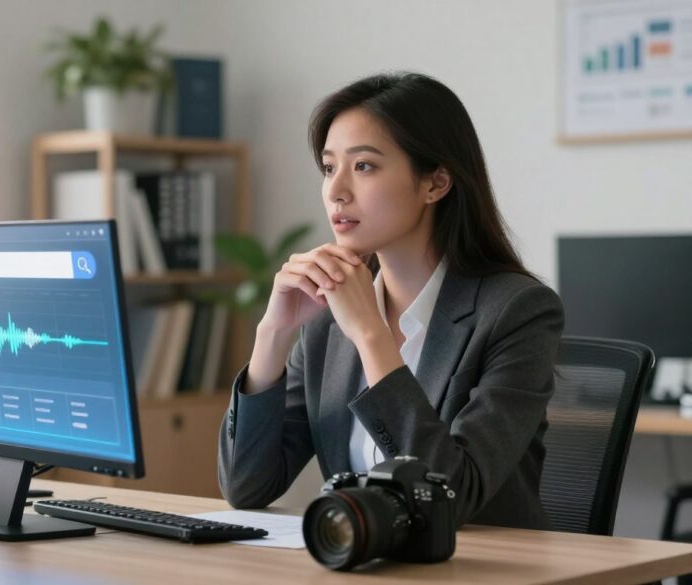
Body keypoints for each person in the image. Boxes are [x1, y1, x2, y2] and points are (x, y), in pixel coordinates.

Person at [217, 72, 564, 529]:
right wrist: (273, 335)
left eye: (363, 166)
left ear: (434, 184)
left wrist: (370, 335)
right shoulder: (326, 317)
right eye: (328, 167)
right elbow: (247, 487)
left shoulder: (517, 311)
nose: (336, 190)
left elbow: (450, 496)